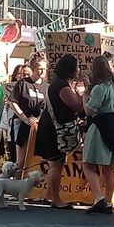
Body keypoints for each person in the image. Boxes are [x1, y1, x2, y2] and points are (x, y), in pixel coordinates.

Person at [35, 54, 82, 209]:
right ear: (71, 69)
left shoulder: (57, 83)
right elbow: (77, 106)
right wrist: (85, 92)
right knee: (57, 163)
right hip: (55, 130)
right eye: (77, 66)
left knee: (54, 162)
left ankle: (49, 195)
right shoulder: (62, 86)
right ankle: (56, 199)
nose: (79, 69)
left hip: (50, 126)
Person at [82, 55, 114, 214]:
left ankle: (99, 198)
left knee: (88, 164)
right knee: (110, 167)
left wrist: (85, 96)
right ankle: (108, 200)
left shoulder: (99, 88)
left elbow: (90, 110)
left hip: (100, 125)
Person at [9, 52, 48, 178]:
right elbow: (13, 102)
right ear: (33, 69)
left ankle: (33, 189)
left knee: (36, 158)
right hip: (22, 122)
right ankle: (16, 183)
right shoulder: (23, 83)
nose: (42, 71)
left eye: (44, 69)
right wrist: (24, 118)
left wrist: (37, 120)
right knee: (21, 159)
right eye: (39, 69)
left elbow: (47, 107)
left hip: (38, 123)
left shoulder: (46, 87)